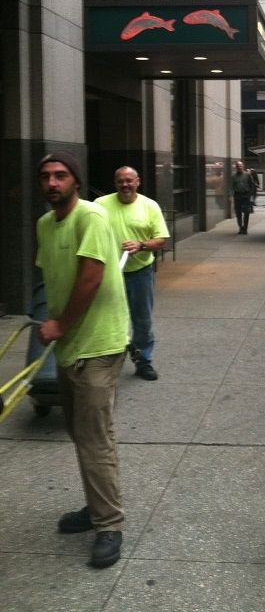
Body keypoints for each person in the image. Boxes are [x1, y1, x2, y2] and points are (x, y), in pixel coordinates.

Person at [36, 151, 129, 569]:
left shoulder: (90, 217)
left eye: (61, 175)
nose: (53, 183)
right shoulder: (44, 224)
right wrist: (50, 324)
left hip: (100, 343)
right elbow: (53, 277)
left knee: (94, 437)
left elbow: (90, 277)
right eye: (46, 177)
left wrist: (60, 324)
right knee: (79, 431)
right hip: (71, 344)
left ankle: (109, 524)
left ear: (76, 180)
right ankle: (96, 507)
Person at [96, 167, 169, 382]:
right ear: (115, 183)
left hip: (140, 273)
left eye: (129, 181)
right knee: (106, 319)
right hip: (109, 273)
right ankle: (105, 363)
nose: (125, 185)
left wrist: (141, 245)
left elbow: (162, 239)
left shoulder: (149, 206)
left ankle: (143, 361)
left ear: (138, 182)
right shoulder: (100, 205)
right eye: (121, 181)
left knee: (142, 320)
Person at [231, 160, 257, 234]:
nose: (239, 167)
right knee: (238, 212)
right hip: (237, 196)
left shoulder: (247, 175)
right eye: (237, 166)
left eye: (240, 166)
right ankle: (240, 227)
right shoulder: (233, 176)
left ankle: (245, 228)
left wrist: (251, 195)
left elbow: (252, 185)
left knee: (246, 212)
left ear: (243, 167)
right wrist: (230, 195)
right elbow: (231, 186)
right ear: (236, 167)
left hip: (246, 196)